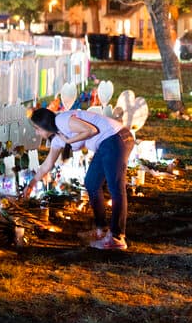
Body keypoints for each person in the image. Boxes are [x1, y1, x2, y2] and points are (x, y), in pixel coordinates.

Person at [23, 107, 135, 250]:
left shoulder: (62, 120)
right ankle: (102, 229)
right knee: (91, 183)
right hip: (106, 143)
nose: (36, 132)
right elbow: (47, 164)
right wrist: (32, 183)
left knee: (115, 186)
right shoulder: (57, 138)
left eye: (37, 128)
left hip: (116, 138)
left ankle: (117, 237)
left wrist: (69, 140)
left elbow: (91, 130)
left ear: (45, 124)